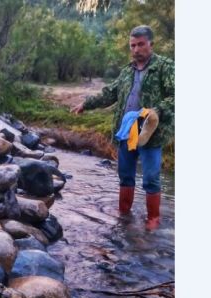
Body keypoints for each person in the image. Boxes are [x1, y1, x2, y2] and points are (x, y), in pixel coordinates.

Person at [70, 25, 174, 230]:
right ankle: (124, 216)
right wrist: (86, 104)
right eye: (133, 45)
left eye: (141, 44)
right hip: (126, 132)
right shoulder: (127, 71)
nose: (136, 49)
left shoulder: (165, 67)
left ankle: (153, 219)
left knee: (151, 178)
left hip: (150, 133)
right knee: (125, 175)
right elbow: (110, 93)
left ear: (151, 44)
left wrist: (157, 111)